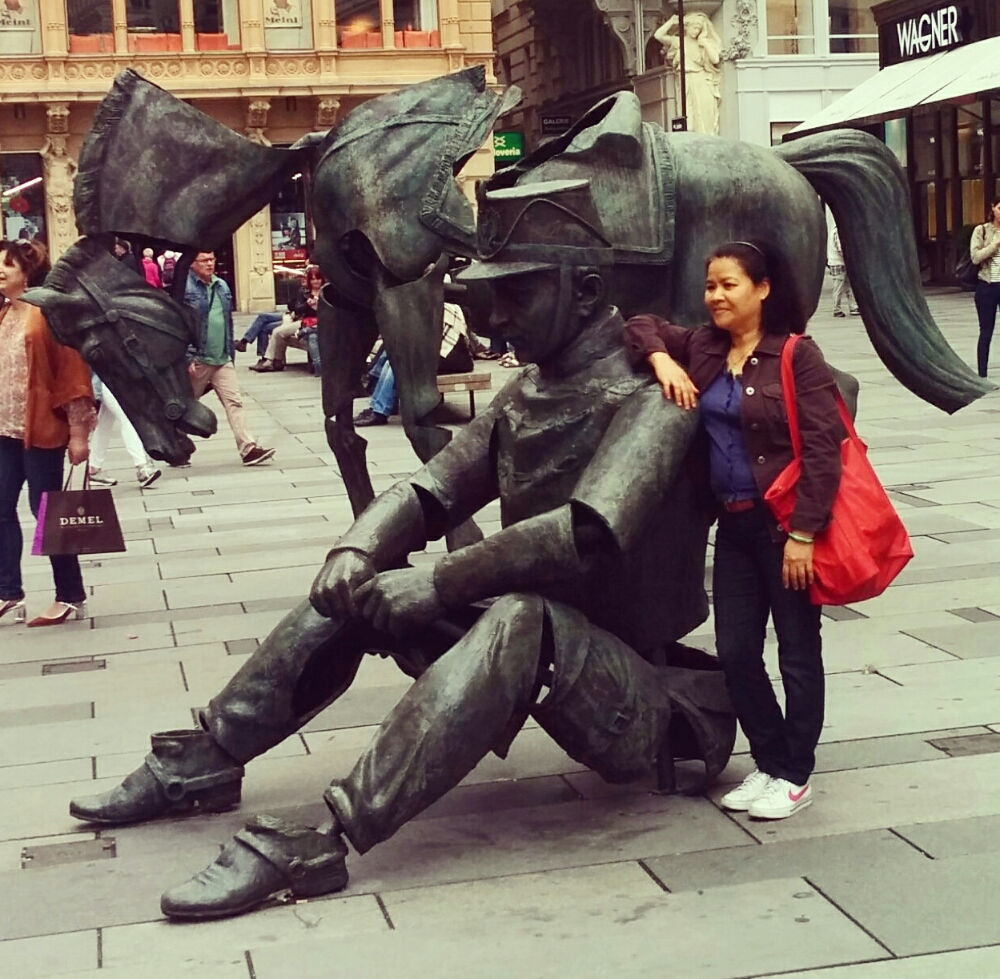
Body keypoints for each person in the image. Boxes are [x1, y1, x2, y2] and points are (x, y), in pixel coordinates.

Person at [68, 180, 733, 921]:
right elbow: (431, 489)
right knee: (361, 591)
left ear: (586, 291)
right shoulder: (526, 395)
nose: (497, 317)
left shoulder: (657, 396)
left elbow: (583, 532)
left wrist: (440, 583)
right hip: (554, 656)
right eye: (492, 297)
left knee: (519, 617)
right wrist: (356, 551)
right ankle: (208, 757)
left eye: (517, 294)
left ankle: (328, 837)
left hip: (655, 706)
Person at [624, 240, 844, 820]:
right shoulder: (704, 346)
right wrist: (662, 360)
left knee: (797, 654)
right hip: (734, 527)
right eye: (710, 286)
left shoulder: (796, 355)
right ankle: (768, 761)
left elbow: (824, 451)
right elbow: (640, 324)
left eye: (729, 285)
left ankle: (795, 773)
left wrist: (804, 534)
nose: (716, 296)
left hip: (785, 530)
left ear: (762, 289)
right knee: (737, 652)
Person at [0, 240, 95, 627]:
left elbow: (73, 373)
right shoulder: (4, 312)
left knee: (48, 514)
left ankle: (70, 595)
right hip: (5, 431)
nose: (0, 271)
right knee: (0, 509)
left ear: (27, 273)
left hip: (42, 430)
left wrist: (79, 433)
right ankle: (8, 592)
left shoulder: (48, 314)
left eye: (7, 265)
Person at [184, 252, 275, 466]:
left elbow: (227, 322)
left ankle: (248, 448)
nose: (210, 263)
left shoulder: (222, 286)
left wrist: (230, 354)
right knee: (186, 406)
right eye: (204, 260)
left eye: (212, 259)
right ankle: (174, 445)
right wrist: (187, 356)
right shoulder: (186, 288)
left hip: (222, 358)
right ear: (193, 264)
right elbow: (180, 324)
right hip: (199, 358)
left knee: (235, 402)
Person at [354, 302, 474, 426]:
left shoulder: (437, 311)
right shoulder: (426, 310)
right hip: (439, 355)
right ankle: (376, 407)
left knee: (399, 364)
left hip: (452, 359)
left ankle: (379, 412)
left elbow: (427, 344)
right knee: (394, 360)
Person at [88, 373, 161, 489]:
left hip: (109, 379)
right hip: (109, 379)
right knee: (127, 417)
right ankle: (142, 467)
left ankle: (94, 468)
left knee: (105, 423)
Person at [653, 13, 722, 136]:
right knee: (688, 113)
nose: (696, 31)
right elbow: (658, 35)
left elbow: (715, 59)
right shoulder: (678, 42)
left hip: (701, 79)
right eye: (694, 27)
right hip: (685, 79)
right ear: (686, 26)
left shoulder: (701, 43)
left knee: (704, 112)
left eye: (699, 29)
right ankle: (692, 135)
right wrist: (671, 21)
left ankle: (707, 136)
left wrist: (705, 43)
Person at [250, 265, 326, 373]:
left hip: (320, 323)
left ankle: (270, 362)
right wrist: (307, 304)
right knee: (277, 332)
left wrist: (320, 305)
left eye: (318, 278)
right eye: (313, 279)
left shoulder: (326, 291)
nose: (315, 282)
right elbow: (297, 309)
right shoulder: (305, 291)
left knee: (274, 329)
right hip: (304, 322)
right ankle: (275, 361)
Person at [971, 198, 1000, 378]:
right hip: (987, 287)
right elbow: (975, 257)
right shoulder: (981, 230)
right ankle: (982, 374)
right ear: (993, 208)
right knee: (986, 331)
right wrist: (994, 245)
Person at [827, 226, 858, 318]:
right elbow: (841, 250)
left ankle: (853, 307)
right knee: (839, 287)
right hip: (839, 263)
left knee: (848, 286)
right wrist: (850, 260)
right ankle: (837, 309)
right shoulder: (838, 232)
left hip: (839, 263)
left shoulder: (835, 231)